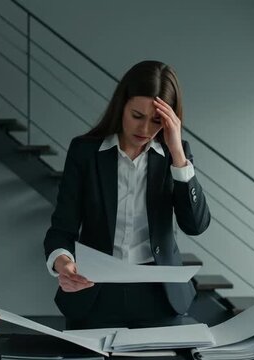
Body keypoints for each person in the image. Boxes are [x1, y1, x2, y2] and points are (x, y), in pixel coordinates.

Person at [43, 60, 211, 329]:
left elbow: (196, 225)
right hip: (94, 293)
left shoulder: (175, 154)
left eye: (157, 120)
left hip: (160, 297)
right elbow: (62, 228)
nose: (145, 129)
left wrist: (178, 155)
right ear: (121, 106)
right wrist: (62, 262)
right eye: (137, 116)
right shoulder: (84, 152)